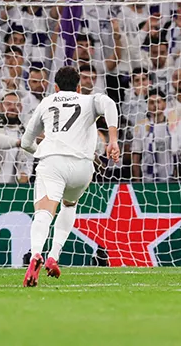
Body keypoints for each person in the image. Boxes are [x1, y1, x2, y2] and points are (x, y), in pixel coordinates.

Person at [19, 66, 120, 287]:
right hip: (83, 167)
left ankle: (37, 254)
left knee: (44, 212)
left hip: (53, 163)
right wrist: (113, 139)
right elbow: (110, 104)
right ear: (79, 86)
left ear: (55, 87)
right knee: (69, 205)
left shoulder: (46, 102)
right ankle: (54, 255)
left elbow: (26, 142)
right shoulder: (89, 100)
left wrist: (44, 152)